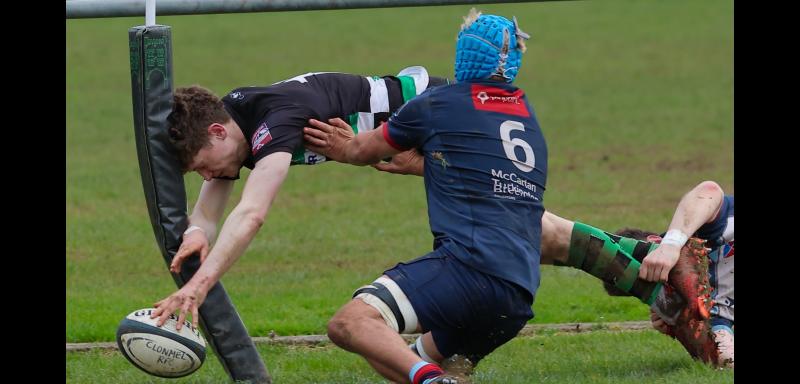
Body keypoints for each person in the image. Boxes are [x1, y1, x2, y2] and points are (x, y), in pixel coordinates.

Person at [303, 9, 542, 384]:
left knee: (351, 324)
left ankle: (434, 380)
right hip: (517, 294)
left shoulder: (439, 103)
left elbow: (361, 151)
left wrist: (340, 143)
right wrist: (428, 164)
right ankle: (440, 376)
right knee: (403, 360)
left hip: (468, 270)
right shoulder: (526, 117)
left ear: (464, 54)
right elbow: (485, 177)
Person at [149, 66, 451, 330]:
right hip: (425, 130)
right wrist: (196, 232)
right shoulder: (233, 122)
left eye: (202, 164)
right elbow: (207, 215)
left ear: (217, 132)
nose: (206, 176)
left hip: (440, 113)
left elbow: (251, 213)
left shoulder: (276, 122)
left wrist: (198, 288)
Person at [623, 181, 734, 368]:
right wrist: (682, 326)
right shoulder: (710, 307)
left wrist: (671, 245)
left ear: (655, 242)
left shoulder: (704, 233)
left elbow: (709, 191)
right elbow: (723, 361)